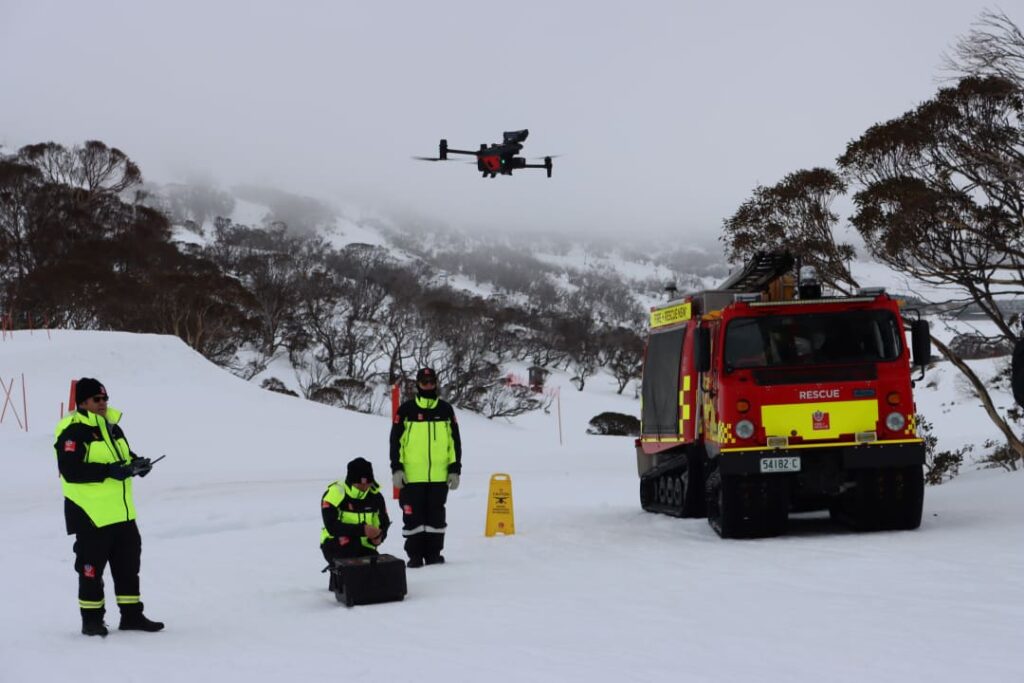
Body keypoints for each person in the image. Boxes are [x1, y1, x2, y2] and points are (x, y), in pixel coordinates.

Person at [52, 378, 163, 637]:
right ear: (82, 402)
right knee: (91, 569)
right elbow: (70, 470)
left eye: (105, 399)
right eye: (96, 399)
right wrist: (109, 471)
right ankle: (92, 620)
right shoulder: (72, 430)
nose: (102, 404)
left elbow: (124, 458)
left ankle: (132, 615)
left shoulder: (113, 428)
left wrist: (137, 464)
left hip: (122, 513)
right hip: (91, 514)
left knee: (128, 566)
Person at [390, 367, 462, 568]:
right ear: (418, 384)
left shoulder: (446, 410)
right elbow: (395, 442)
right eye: (424, 382)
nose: (428, 385)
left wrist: (455, 469)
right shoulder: (406, 410)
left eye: (432, 382)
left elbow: (454, 443)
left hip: (439, 477)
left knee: (436, 517)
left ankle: (433, 554)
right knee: (413, 517)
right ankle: (414, 555)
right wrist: (396, 468)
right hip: (412, 477)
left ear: (436, 383)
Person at [320, 457, 391, 568]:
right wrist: (362, 530)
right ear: (351, 481)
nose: (364, 487)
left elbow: (384, 522)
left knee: (377, 566)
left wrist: (379, 537)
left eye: (367, 483)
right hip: (335, 543)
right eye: (360, 484)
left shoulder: (376, 496)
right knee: (351, 559)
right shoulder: (335, 493)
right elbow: (331, 526)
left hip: (364, 546)